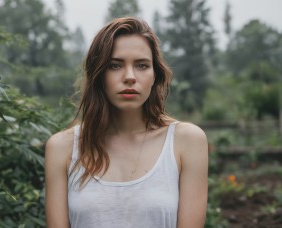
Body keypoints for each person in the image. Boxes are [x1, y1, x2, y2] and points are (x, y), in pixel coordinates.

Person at [45, 17, 208, 228]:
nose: (129, 77)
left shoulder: (186, 142)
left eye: (141, 65)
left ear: (154, 76)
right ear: (98, 75)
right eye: (115, 65)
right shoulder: (62, 148)